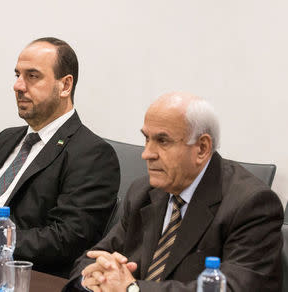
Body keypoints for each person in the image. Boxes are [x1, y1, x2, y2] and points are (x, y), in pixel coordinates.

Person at [0, 37, 120, 277]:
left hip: (16, 276)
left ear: (65, 85)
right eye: (17, 75)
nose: (18, 86)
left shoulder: (91, 153)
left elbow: (67, 238)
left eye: (32, 76)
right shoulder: (7, 138)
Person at [66, 92, 283, 291]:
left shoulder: (251, 204)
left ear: (202, 148)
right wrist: (91, 279)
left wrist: (132, 289)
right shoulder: (144, 192)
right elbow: (92, 258)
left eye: (163, 141)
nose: (147, 154)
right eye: (146, 139)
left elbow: (234, 288)